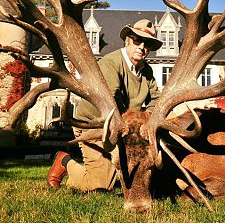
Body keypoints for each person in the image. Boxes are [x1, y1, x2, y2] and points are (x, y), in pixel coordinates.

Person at [47, 19, 162, 191]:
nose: (142, 47)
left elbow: (156, 99)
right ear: (127, 40)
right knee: (100, 185)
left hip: (123, 127)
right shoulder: (111, 63)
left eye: (148, 44)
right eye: (137, 40)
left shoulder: (146, 70)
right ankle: (64, 161)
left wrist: (148, 120)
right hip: (94, 125)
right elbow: (111, 103)